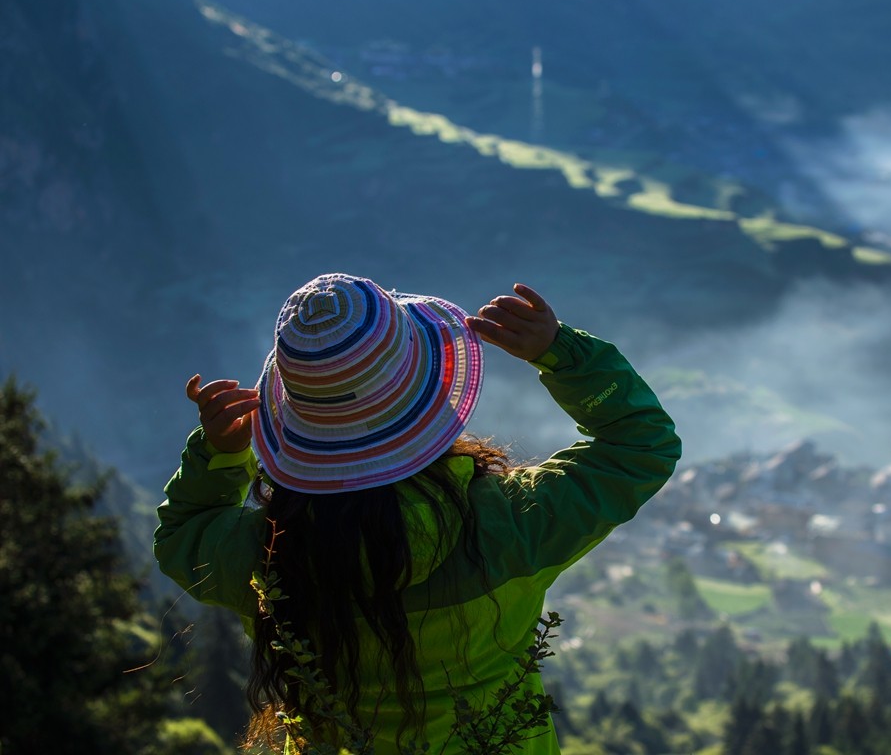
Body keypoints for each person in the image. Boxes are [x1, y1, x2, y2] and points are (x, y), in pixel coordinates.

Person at [153, 274, 681, 754]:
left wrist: (220, 454)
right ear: (432, 396)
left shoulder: (267, 556)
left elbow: (183, 537)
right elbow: (641, 445)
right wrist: (562, 353)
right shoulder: (508, 526)